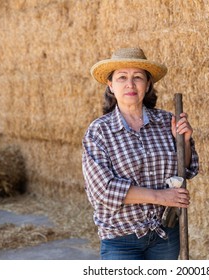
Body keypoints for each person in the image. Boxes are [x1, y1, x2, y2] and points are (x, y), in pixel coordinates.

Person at [82, 47, 199, 260]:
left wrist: (185, 142)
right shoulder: (99, 131)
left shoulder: (167, 122)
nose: (130, 84)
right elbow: (103, 190)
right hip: (121, 239)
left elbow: (186, 171)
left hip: (166, 234)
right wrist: (161, 197)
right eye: (122, 77)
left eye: (138, 77)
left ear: (147, 85)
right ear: (110, 85)